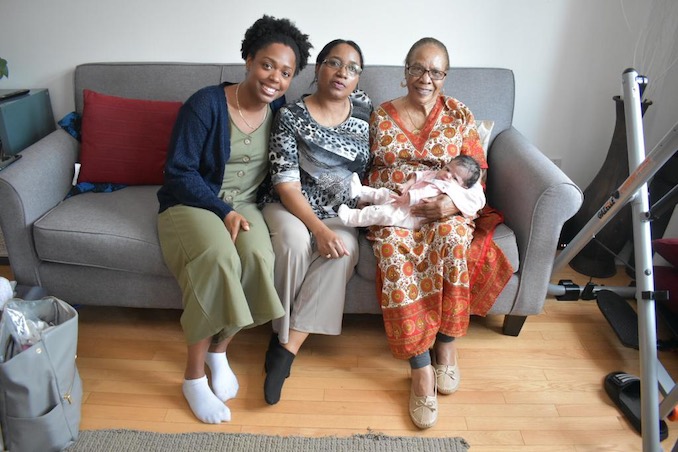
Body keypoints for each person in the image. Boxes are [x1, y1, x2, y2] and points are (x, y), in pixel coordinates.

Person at [156, 16, 312, 424]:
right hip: (191, 204)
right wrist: (222, 210)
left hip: (244, 205)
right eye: (267, 64)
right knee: (219, 259)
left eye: (285, 72)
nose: (274, 78)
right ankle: (192, 379)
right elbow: (179, 171)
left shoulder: (280, 110)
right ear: (247, 59)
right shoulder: (205, 104)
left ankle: (218, 351)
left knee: (260, 259)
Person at [367, 37, 513, 429]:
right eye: (417, 68)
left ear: (445, 76)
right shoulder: (380, 115)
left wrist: (450, 204)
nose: (425, 78)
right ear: (405, 71)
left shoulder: (459, 115)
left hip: (447, 207)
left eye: (434, 71)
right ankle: (420, 369)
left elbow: (478, 176)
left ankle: (446, 345)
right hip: (397, 209)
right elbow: (365, 164)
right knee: (393, 253)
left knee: (452, 240)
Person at [260, 39, 372, 405]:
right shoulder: (290, 115)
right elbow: (285, 183)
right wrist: (318, 229)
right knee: (294, 243)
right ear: (318, 68)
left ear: (359, 78)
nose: (343, 72)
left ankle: (285, 348)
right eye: (334, 63)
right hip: (290, 205)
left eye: (352, 67)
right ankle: (277, 329)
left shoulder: (365, 111)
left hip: (339, 212)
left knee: (343, 250)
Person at [337, 155, 485, 229]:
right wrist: (406, 185)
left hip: (409, 214)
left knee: (381, 212)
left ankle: (352, 218)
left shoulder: (446, 188)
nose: (447, 175)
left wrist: (406, 198)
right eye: (447, 169)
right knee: (383, 193)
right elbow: (420, 175)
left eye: (454, 178)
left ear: (462, 186)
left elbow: (422, 194)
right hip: (403, 200)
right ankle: (360, 191)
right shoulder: (437, 175)